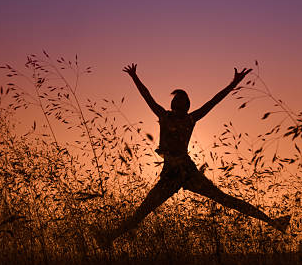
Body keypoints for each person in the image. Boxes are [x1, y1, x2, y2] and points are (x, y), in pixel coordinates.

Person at [99, 63, 290, 246]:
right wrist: (135, 77)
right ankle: (109, 238)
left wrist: (233, 83)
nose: (180, 103)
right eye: (178, 100)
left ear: (187, 105)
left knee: (225, 199)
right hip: (170, 173)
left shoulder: (190, 118)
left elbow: (214, 101)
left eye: (184, 101)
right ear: (174, 104)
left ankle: (273, 222)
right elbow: (147, 96)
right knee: (143, 211)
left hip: (186, 170)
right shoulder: (165, 116)